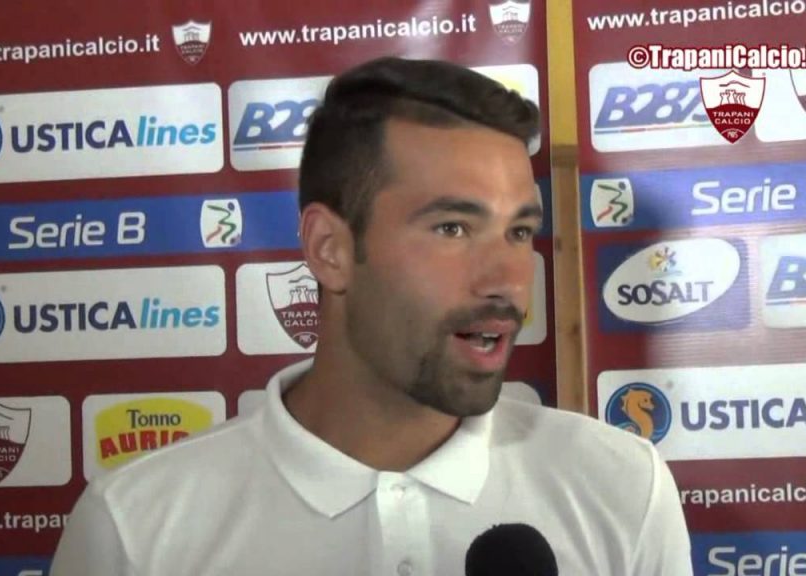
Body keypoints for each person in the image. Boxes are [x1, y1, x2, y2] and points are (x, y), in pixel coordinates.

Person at [50, 56, 694, 575]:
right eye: (452, 227)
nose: (508, 281)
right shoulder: (135, 527)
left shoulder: (623, 489)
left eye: (519, 232)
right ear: (330, 250)